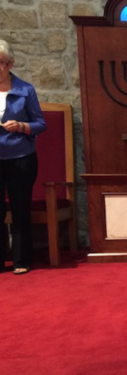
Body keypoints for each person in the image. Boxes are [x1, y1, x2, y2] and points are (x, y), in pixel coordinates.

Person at [0, 39, 47, 275]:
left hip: (20, 156)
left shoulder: (25, 89)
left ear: (9, 64)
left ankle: (21, 260)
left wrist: (21, 126)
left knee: (20, 209)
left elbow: (40, 123)